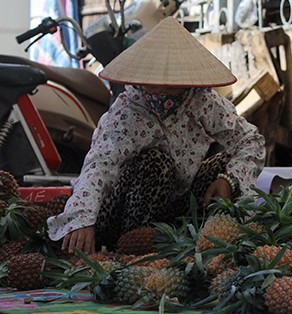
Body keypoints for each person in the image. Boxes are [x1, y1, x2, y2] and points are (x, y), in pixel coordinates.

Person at [47, 17, 266, 254]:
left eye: (170, 84)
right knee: (156, 162)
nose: (160, 90)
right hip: (122, 216)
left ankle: (192, 243)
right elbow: (100, 165)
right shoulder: (127, 111)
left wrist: (229, 179)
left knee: (223, 164)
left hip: (176, 208)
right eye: (154, 83)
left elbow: (249, 140)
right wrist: (82, 219)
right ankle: (136, 248)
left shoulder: (201, 101)